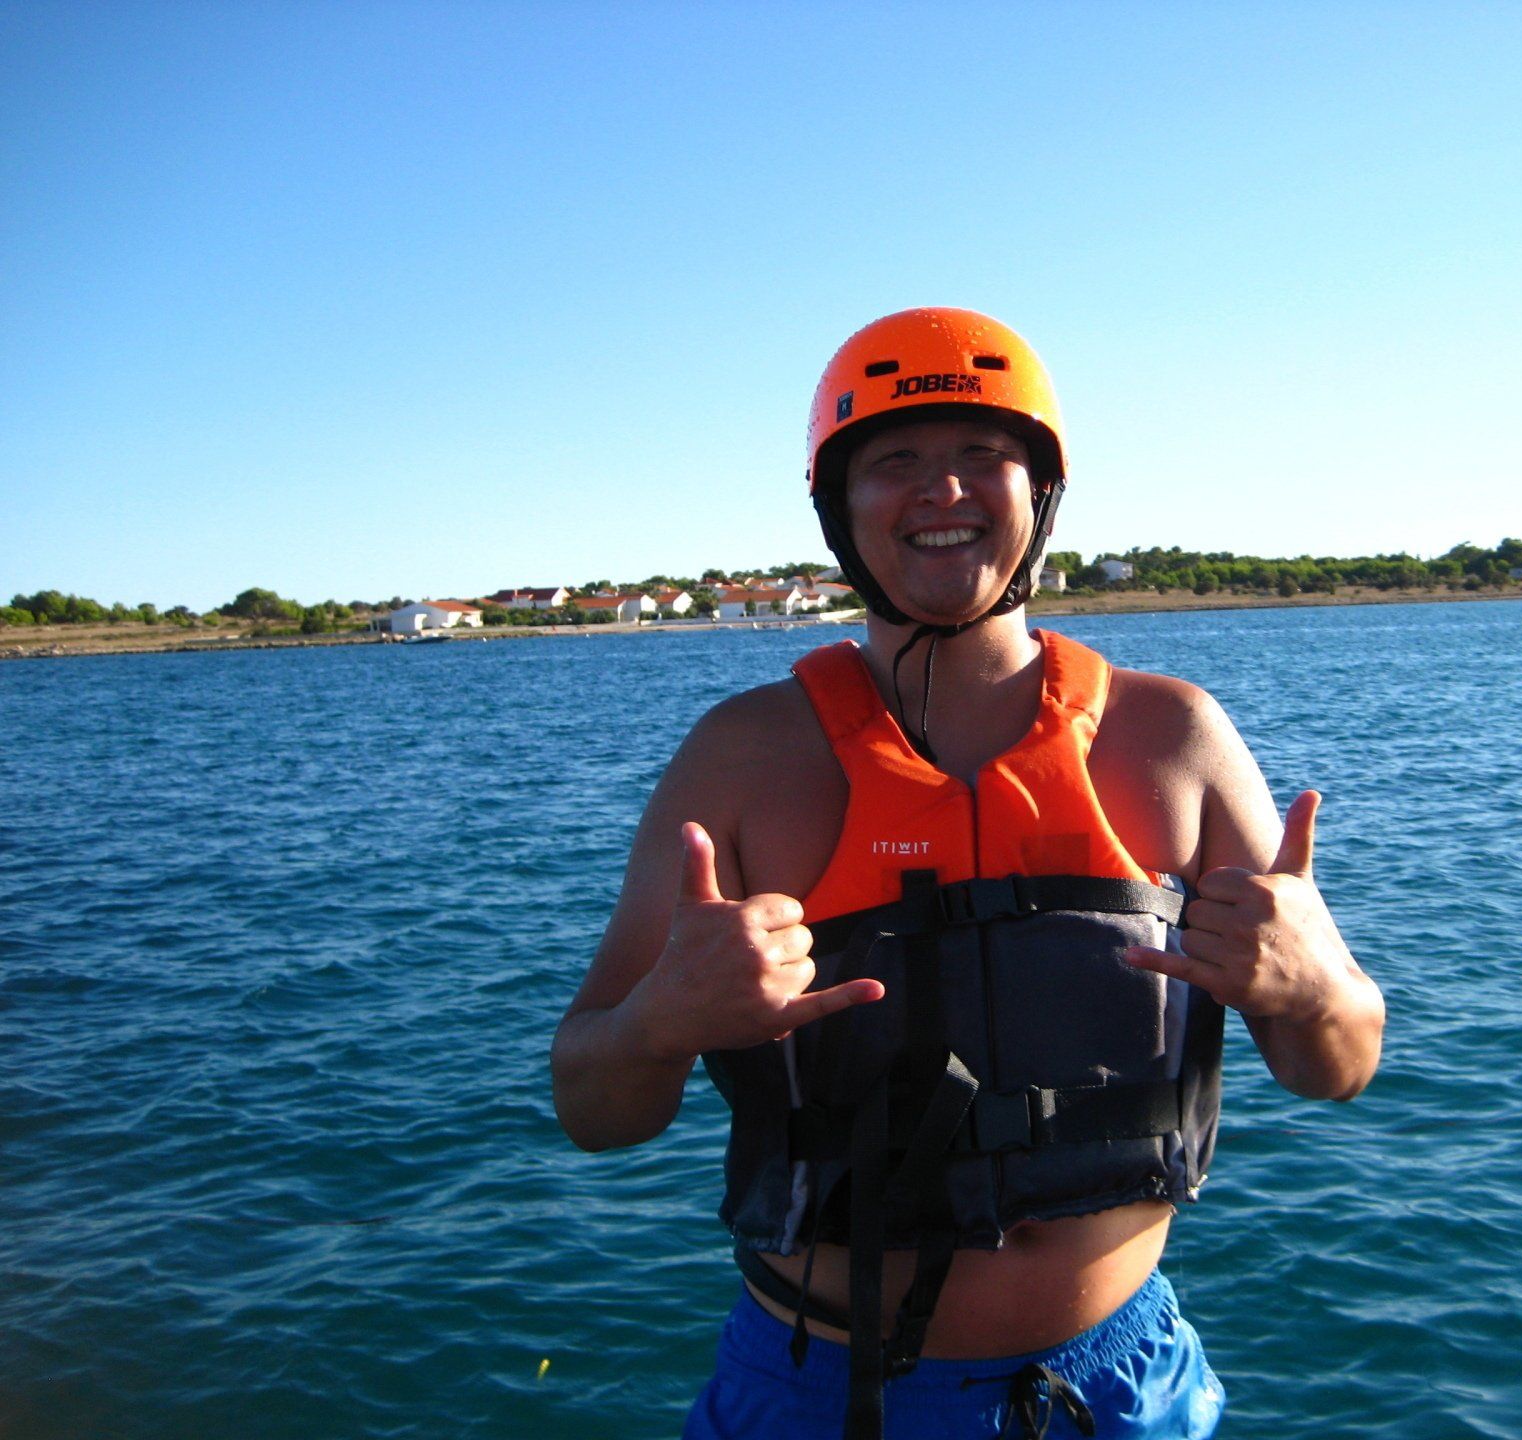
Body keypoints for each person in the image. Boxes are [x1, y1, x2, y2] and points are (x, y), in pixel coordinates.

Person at [551, 307, 1385, 1439]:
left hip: (1120, 1385)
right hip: (823, 1396)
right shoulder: (740, 760)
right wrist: (658, 1020)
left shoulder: (1175, 736)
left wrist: (1312, 991)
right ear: (840, 510)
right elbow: (593, 1107)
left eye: (982, 456)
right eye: (896, 461)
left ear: (1041, 494)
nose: (942, 492)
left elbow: (1338, 1066)